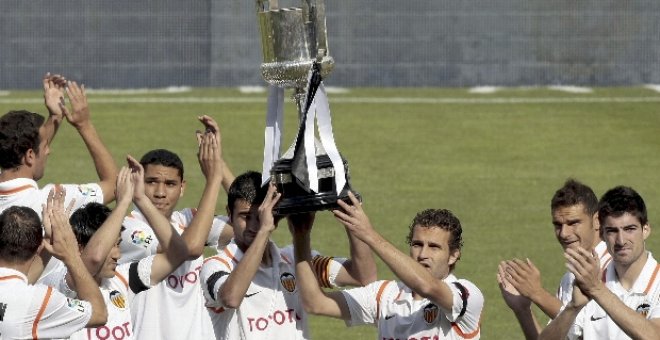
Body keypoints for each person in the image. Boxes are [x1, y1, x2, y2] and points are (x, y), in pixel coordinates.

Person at [40, 148, 221, 340]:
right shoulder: (60, 281)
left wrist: (141, 198)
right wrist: (124, 203)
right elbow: (93, 260)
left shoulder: (122, 278)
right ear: (78, 246)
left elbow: (179, 252)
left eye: (118, 244)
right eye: (112, 246)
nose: (118, 255)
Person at [200, 172, 377, 339]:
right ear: (229, 214)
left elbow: (362, 276)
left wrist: (351, 220)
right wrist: (264, 231)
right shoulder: (215, 266)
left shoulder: (295, 259)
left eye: (260, 217)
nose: (253, 226)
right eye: (246, 217)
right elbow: (231, 298)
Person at [292, 192, 483, 339]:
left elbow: (427, 286)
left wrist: (369, 235)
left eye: (434, 247)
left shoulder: (466, 295)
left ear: (453, 256)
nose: (423, 254)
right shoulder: (384, 295)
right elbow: (315, 303)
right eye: (417, 245)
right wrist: (301, 236)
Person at [118, 115, 233, 340]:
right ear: (138, 181)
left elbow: (252, 220)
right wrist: (212, 180)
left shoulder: (189, 220)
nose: (160, 192)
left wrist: (219, 165)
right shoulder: (128, 230)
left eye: (170, 184)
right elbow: (188, 248)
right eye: (151, 182)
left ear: (182, 188)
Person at [0, 75, 118, 283]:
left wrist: (55, 117)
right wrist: (84, 125)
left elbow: (28, 151)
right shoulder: (54, 201)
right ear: (29, 155)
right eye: (45, 147)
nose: (49, 151)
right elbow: (114, 184)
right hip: (44, 310)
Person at [540, 186, 660, 339]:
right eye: (612, 231)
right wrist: (573, 308)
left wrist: (597, 290)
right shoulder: (588, 281)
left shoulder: (594, 284)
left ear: (646, 230)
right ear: (601, 233)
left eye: (629, 229)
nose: (621, 241)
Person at [497, 178, 611, 339]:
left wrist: (537, 293)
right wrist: (523, 309)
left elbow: (586, 329)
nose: (564, 233)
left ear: (597, 221)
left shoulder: (616, 269)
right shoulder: (568, 279)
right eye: (558, 225)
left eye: (573, 223)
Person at [0, 189, 107, 338]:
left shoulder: (23, 295)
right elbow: (99, 313)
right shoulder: (40, 301)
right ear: (38, 247)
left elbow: (15, 286)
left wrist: (51, 240)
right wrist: (71, 255)